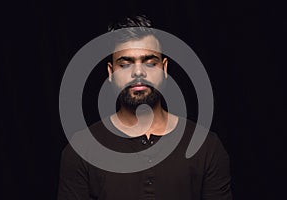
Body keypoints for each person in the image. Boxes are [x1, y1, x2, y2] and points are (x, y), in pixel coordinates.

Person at [57, 15, 232, 200]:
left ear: (164, 69)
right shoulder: (82, 150)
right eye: (125, 64)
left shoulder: (206, 146)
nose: (138, 72)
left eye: (150, 62)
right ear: (111, 72)